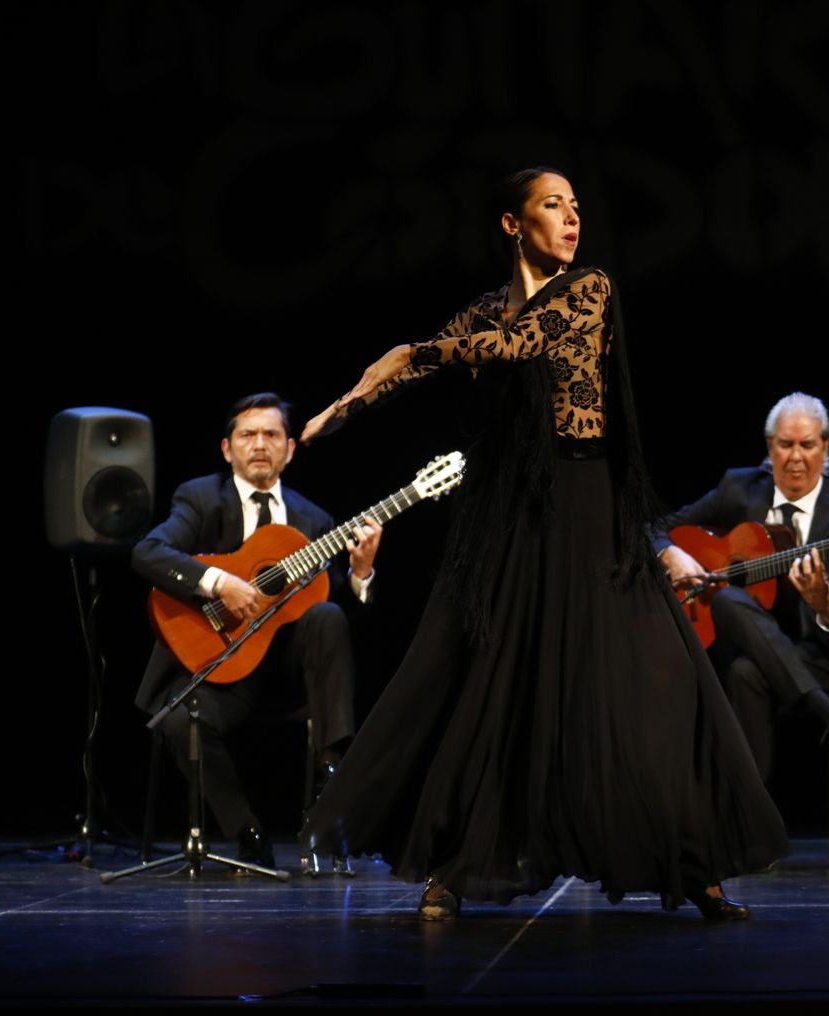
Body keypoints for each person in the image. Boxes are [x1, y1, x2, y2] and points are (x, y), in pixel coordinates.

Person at [299, 167, 787, 921]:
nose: (571, 217)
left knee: (648, 679)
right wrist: (351, 401)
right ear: (513, 223)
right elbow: (438, 355)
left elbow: (515, 345)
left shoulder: (588, 290)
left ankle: (692, 864)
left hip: (589, 506)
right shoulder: (486, 307)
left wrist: (411, 353)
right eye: (553, 205)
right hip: (511, 513)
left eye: (575, 207)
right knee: (488, 679)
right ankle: (458, 863)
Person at [133, 392, 382, 869]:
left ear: (289, 449)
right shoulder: (200, 498)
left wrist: (361, 574)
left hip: (291, 677)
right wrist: (219, 583)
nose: (260, 444)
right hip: (223, 668)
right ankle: (247, 832)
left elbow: (342, 620)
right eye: (248, 434)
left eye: (272, 434)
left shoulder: (314, 521)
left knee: (327, 616)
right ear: (227, 449)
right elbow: (148, 552)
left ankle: (332, 773)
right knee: (178, 720)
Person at [655, 393, 829, 781]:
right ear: (770, 447)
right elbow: (655, 529)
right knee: (729, 607)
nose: (796, 457)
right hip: (748, 644)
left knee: (745, 669)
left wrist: (827, 608)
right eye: (785, 444)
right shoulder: (739, 489)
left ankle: (751, 811)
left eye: (807, 445)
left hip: (827, 659)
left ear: (825, 447)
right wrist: (671, 554)